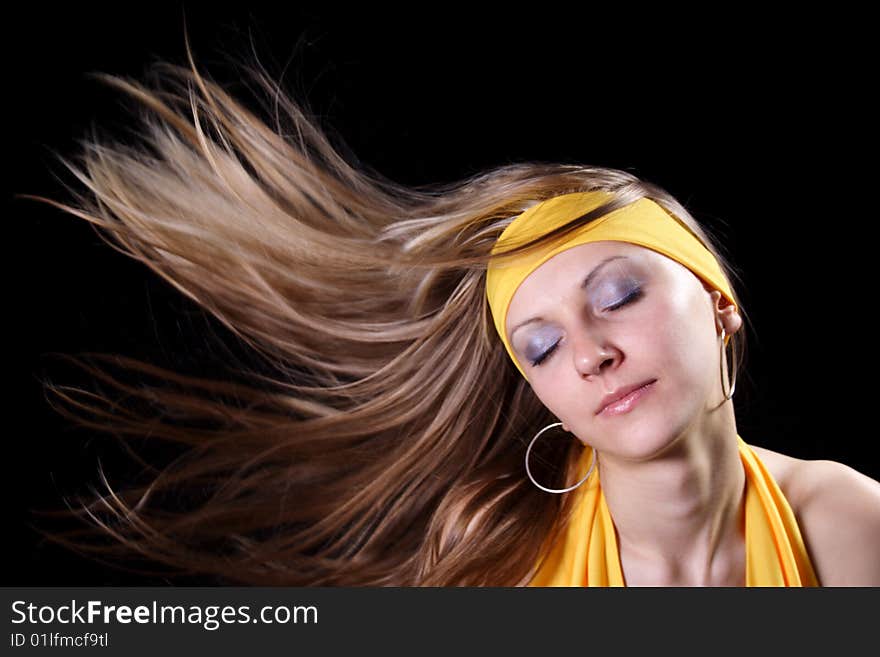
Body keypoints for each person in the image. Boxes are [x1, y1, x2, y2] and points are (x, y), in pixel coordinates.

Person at [25, 44, 880, 587]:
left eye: (618, 297)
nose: (589, 355)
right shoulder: (495, 552)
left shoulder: (844, 524)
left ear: (720, 304)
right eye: (540, 347)